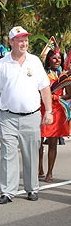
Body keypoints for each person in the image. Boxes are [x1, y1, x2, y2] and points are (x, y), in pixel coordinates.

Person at [0, 26, 53, 204]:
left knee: (31, 154)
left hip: (31, 116)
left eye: (25, 40)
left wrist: (49, 111)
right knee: (7, 154)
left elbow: (44, 88)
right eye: (20, 40)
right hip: (7, 117)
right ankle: (8, 191)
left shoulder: (35, 61)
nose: (24, 43)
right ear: (11, 42)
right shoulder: (2, 64)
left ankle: (32, 188)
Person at [38, 48, 71, 182]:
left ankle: (50, 172)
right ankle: (39, 168)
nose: (57, 61)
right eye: (54, 58)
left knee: (53, 143)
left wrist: (58, 98)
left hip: (56, 111)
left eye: (59, 58)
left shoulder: (64, 76)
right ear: (48, 59)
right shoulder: (41, 74)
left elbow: (69, 93)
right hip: (41, 109)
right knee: (37, 143)